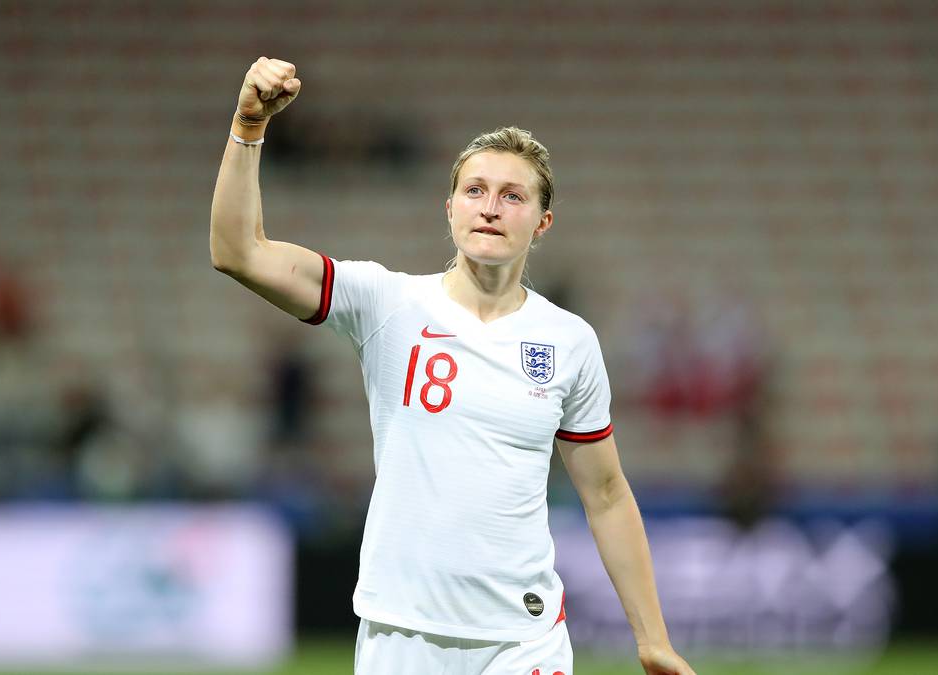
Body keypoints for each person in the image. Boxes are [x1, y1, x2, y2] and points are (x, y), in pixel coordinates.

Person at [211, 57, 695, 675]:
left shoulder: (569, 341)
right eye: (475, 191)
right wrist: (248, 127)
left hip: (522, 638)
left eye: (512, 196)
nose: (490, 207)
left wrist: (651, 638)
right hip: (400, 631)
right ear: (450, 209)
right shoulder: (386, 302)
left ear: (542, 222)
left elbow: (604, 493)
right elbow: (237, 251)